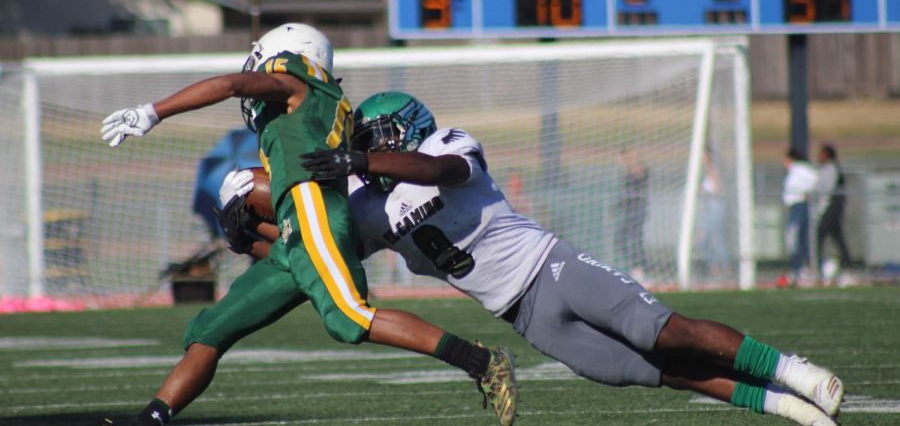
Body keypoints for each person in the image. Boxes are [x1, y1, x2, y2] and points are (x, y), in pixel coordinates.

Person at [285, 91, 843, 426]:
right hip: (522, 315)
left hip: (551, 267)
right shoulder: (368, 209)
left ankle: (794, 371)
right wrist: (266, 224)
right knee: (648, 371)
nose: (368, 155)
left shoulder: (443, 144)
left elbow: (441, 174)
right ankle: (783, 408)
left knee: (660, 331)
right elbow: (323, 255)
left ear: (402, 130)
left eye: (375, 141)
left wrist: (362, 158)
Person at [99, 25, 518, 426]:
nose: (257, 75)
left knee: (348, 318)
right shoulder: (302, 112)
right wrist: (244, 235)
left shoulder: (303, 80)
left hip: (311, 203)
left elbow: (231, 85)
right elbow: (297, 262)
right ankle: (150, 418)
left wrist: (153, 112)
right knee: (211, 328)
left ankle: (483, 363)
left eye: (263, 65)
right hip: (297, 218)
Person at [814, 143, 851, 284]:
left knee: (821, 235)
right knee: (837, 237)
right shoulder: (826, 169)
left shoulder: (831, 169)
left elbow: (826, 189)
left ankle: (819, 265)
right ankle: (845, 265)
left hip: (831, 207)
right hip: (828, 207)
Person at [782, 148, 820, 287]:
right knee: (797, 238)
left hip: (800, 206)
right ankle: (799, 268)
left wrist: (806, 192)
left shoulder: (801, 169)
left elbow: (816, 179)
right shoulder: (794, 171)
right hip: (794, 207)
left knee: (796, 237)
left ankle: (802, 268)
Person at [696, 146, 731, 280]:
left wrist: (705, 192)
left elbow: (718, 191)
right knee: (702, 241)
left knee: (717, 239)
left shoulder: (714, 171)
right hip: (708, 208)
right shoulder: (705, 172)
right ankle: (715, 269)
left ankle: (726, 268)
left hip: (716, 207)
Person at [615, 147, 650, 278]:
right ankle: (635, 267)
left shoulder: (639, 169)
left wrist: (630, 160)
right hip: (628, 210)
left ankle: (639, 268)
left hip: (638, 210)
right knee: (621, 239)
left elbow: (639, 175)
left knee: (635, 239)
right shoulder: (626, 172)